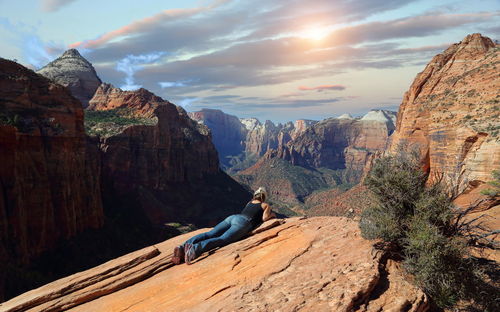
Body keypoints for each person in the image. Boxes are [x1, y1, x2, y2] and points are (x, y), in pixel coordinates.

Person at [172, 187, 276, 265]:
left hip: (233, 217)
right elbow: (265, 218)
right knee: (222, 239)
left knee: (210, 233)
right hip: (244, 223)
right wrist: (272, 215)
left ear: (255, 195)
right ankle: (194, 249)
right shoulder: (265, 205)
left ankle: (182, 246)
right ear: (264, 197)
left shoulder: (249, 202)